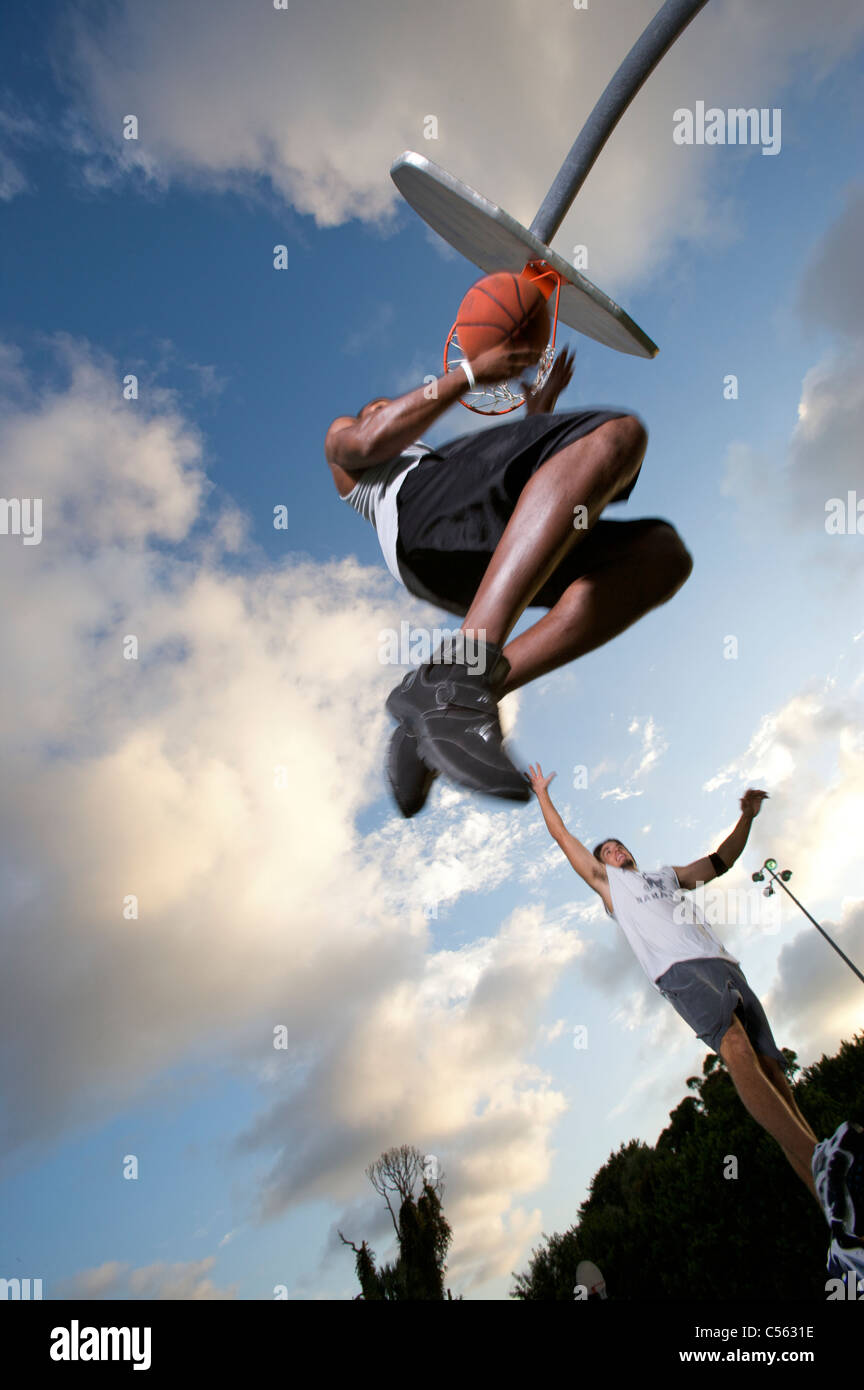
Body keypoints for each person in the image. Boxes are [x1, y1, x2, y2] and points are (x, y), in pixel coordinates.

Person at [326, 338, 692, 814]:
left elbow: (516, 494)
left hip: (464, 556)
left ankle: (445, 702)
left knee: (661, 557)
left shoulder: (442, 469)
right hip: (419, 522)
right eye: (376, 408)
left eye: (387, 405)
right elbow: (367, 440)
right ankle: (461, 675)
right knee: (613, 435)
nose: (384, 409)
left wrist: (537, 415)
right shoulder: (354, 448)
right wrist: (473, 372)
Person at [527, 766, 864, 1281]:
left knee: (780, 1083)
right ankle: (818, 1160)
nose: (615, 852)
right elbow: (564, 840)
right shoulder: (610, 886)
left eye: (618, 847)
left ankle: (845, 1236)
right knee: (733, 1046)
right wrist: (544, 797)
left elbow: (720, 862)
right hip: (679, 972)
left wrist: (745, 817)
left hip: (723, 965)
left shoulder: (663, 877)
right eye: (607, 851)